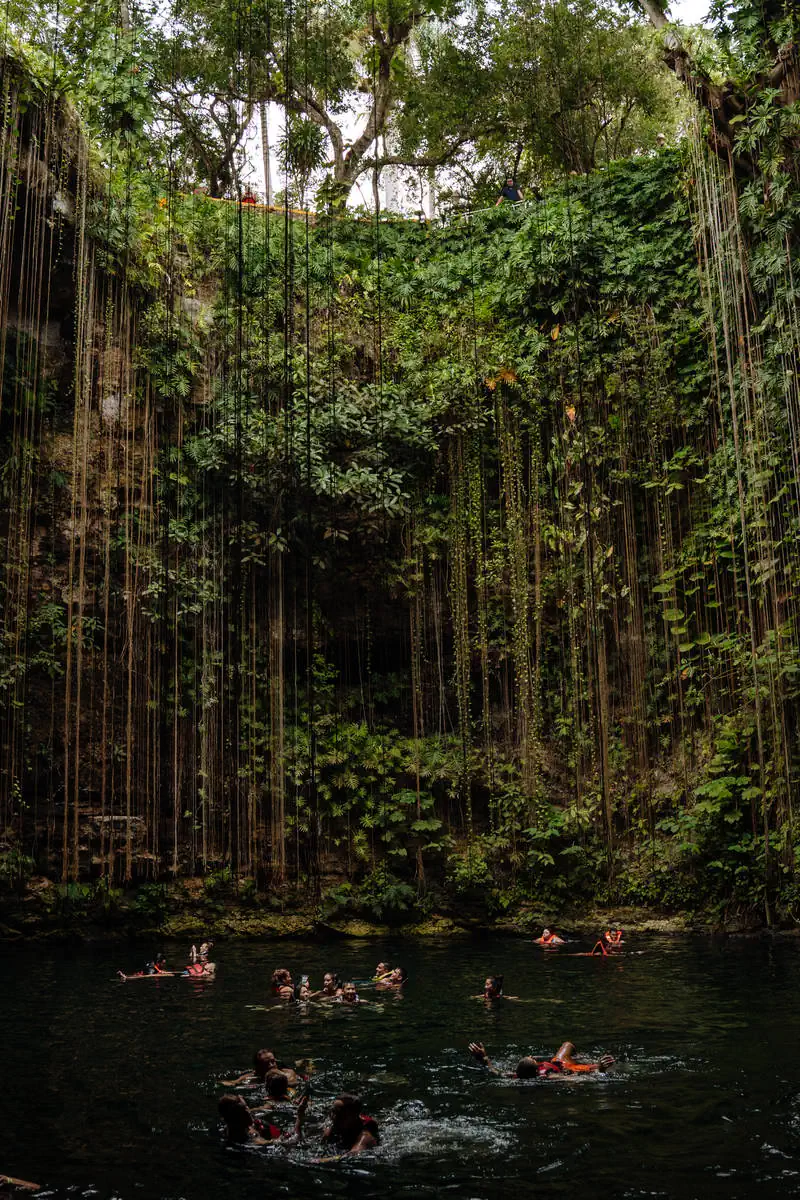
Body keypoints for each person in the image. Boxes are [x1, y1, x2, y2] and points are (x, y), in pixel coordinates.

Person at [468, 1041, 614, 1077]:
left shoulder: (514, 1076)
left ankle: (579, 1057)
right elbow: (577, 1078)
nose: (532, 1057)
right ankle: (587, 1060)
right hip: (566, 1067)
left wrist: (484, 1058)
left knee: (568, 1047)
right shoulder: (550, 1077)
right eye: (533, 1059)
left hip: (557, 1064)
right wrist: (599, 1069)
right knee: (568, 1045)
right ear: (538, 1069)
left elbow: (495, 1071)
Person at [218, 1093, 307, 1145]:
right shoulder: (246, 1137)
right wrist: (300, 1117)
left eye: (247, 1108)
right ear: (234, 1119)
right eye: (243, 1113)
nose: (248, 1113)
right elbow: (285, 1142)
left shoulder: (243, 1124)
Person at [221, 1048, 302, 1088]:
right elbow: (232, 1083)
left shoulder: (288, 1073)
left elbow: (293, 1083)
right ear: (258, 1068)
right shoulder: (251, 1077)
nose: (271, 1065)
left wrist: (279, 1076)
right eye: (266, 1064)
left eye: (273, 1061)